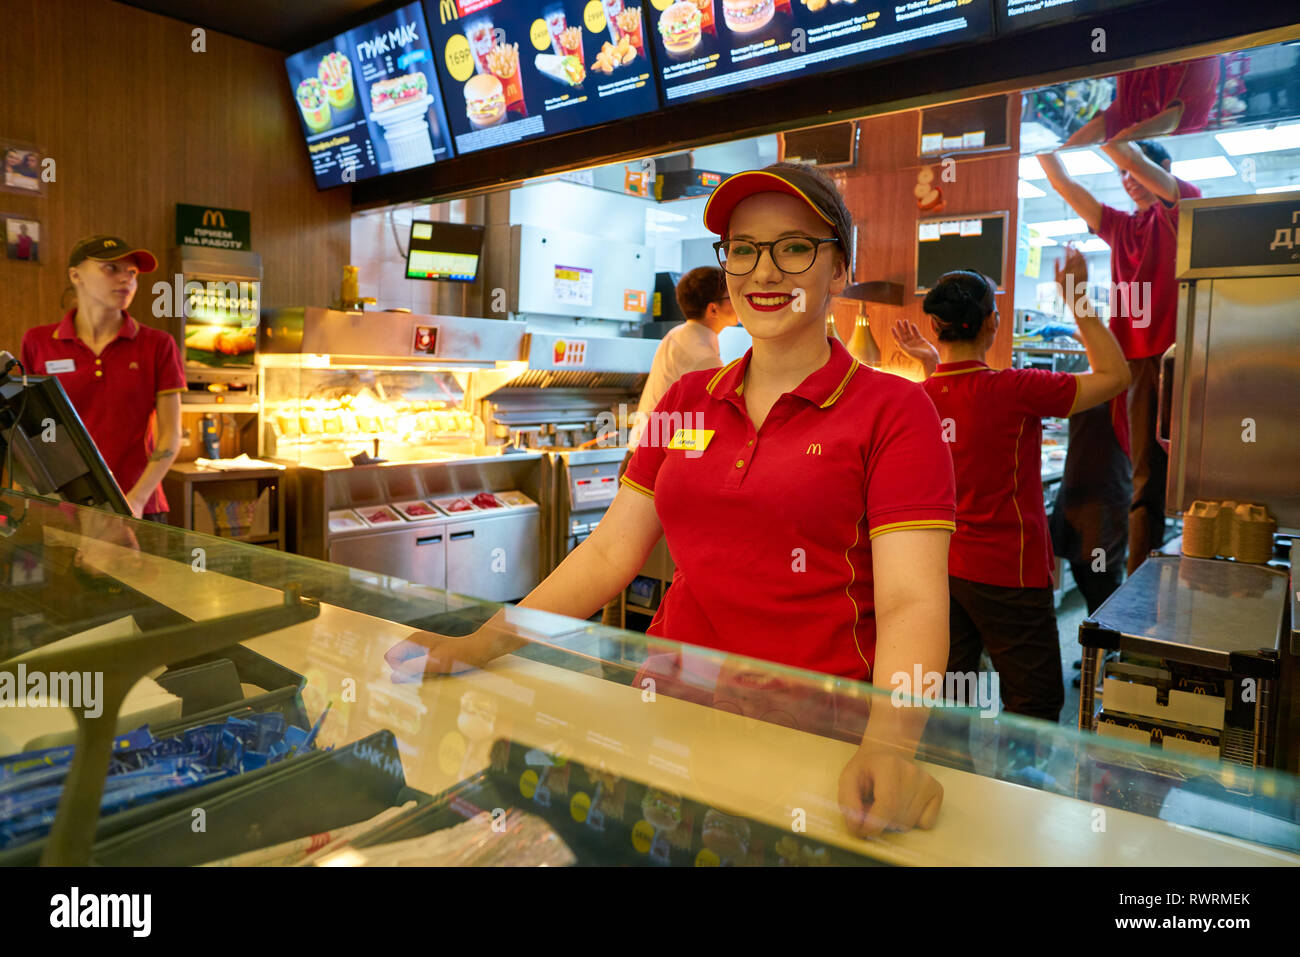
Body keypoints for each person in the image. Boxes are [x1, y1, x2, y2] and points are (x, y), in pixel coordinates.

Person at [390, 162, 958, 837]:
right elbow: (608, 551)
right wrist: (484, 641)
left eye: (795, 247)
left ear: (839, 268)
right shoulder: (687, 401)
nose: (764, 272)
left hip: (815, 738)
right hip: (664, 710)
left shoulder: (895, 409)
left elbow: (912, 602)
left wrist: (890, 746)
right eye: (743, 250)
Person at [890, 256, 1129, 723]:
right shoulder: (1015, 388)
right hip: (1008, 573)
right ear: (992, 322)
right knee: (1033, 702)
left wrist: (930, 364)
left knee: (952, 695)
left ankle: (953, 785)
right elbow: (1116, 377)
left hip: (943, 570)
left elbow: (956, 399)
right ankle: (1019, 794)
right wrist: (1078, 299)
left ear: (936, 326)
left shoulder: (918, 396)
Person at [1037, 139, 1200, 575]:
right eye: (1122, 178)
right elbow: (1063, 182)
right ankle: (1140, 581)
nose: (1129, 181)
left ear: (1162, 168)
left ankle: (1150, 578)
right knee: (1139, 476)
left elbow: (1129, 156)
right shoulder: (1121, 227)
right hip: (1127, 364)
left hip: (1174, 355)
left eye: (1137, 173)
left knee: (1166, 475)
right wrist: (1037, 136)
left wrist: (1103, 125)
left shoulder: (1180, 208)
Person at [20, 236, 185, 521]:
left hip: (139, 507)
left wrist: (135, 501)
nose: (126, 280)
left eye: (132, 272)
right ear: (75, 275)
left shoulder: (158, 344)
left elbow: (171, 434)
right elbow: (27, 430)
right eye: (111, 269)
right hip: (65, 510)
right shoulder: (38, 342)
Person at [628, 266, 737, 449]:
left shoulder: (678, 334)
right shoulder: (702, 357)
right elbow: (716, 420)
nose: (738, 301)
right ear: (713, 309)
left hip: (642, 450)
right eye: (731, 296)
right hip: (653, 460)